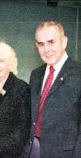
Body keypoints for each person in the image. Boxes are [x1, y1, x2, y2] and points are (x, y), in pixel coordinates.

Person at [26, 21, 81, 158]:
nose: (46, 49)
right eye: (41, 44)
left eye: (51, 42)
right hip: (32, 150)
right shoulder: (35, 74)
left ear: (64, 42)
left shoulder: (79, 73)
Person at [0, 41, 31, 158]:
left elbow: (23, 128)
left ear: (10, 64)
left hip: (9, 154)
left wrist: (0, 145)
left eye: (1, 61)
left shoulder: (21, 88)